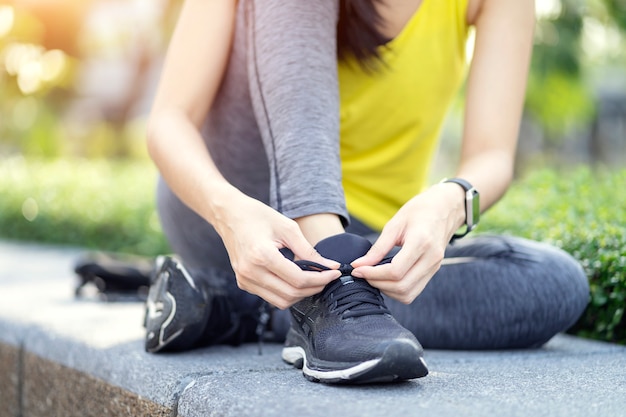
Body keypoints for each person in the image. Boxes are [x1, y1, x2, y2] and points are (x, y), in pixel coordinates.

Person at [143, 0, 590, 384]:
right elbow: (169, 120)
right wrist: (228, 211)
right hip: (242, 212)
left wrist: (450, 200)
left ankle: (248, 306)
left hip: (366, 247)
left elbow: (492, 155)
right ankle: (326, 284)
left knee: (555, 283)